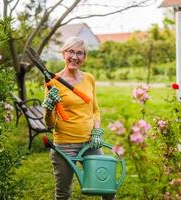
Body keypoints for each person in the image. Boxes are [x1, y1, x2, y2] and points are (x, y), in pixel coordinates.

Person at [42, 37, 114, 200]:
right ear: (63, 54)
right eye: (71, 52)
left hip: (90, 143)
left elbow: (95, 110)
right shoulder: (52, 83)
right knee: (63, 193)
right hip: (64, 146)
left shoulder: (89, 78)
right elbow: (49, 124)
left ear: (85, 57)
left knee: (108, 188)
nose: (75, 57)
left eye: (79, 53)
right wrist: (48, 108)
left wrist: (97, 132)